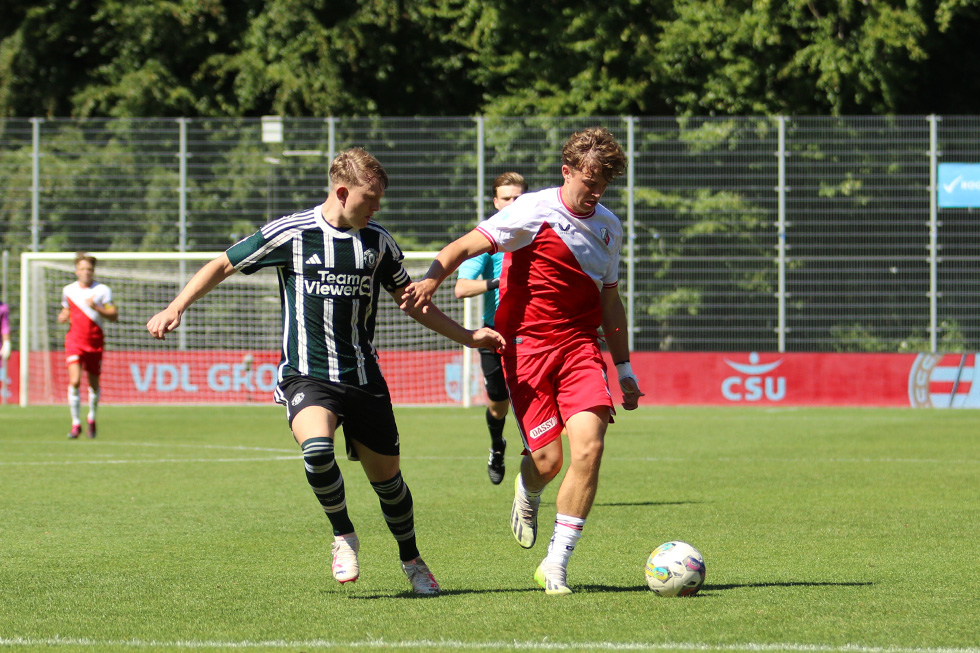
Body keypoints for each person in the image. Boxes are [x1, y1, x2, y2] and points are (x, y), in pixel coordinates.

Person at [146, 147, 504, 596]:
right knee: (316, 450)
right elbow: (223, 263)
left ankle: (412, 560)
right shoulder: (292, 233)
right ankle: (344, 535)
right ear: (341, 191)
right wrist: (176, 306)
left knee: (388, 484)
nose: (376, 208)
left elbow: (414, 303)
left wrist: (470, 336)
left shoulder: (379, 242)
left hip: (363, 379)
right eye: (370, 199)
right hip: (307, 374)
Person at [402, 127, 644, 595]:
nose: (595, 192)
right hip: (526, 350)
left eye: (603, 185)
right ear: (566, 171)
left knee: (590, 447)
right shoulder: (531, 209)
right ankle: (529, 487)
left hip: (579, 347)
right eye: (588, 181)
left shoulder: (610, 226)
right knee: (549, 462)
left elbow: (611, 302)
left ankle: (556, 563)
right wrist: (431, 280)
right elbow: (462, 247)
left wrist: (625, 369)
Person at [454, 172, 528, 485]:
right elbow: (461, 288)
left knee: (532, 400)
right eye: (506, 198)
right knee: (498, 403)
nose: (513, 204)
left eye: (518, 197)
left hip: (533, 334)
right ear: (495, 202)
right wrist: (498, 282)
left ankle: (534, 459)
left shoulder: (540, 234)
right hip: (493, 335)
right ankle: (498, 446)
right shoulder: (486, 240)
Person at [58, 253, 118, 439]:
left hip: (94, 342)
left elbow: (114, 315)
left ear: (93, 271)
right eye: (83, 269)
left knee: (93, 385)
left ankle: (91, 417)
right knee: (75, 381)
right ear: (77, 270)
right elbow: (66, 310)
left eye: (89, 269)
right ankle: (76, 423)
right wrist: (63, 316)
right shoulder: (68, 290)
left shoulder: (102, 290)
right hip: (74, 341)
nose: (86, 272)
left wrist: (97, 308)